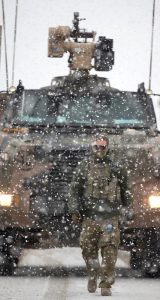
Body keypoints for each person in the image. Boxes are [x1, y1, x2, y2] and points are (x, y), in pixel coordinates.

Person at [68, 134, 133, 296]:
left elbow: (126, 189)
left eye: (102, 146)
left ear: (108, 147)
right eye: (97, 146)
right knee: (88, 250)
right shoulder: (84, 166)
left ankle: (105, 283)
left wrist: (128, 208)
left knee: (110, 249)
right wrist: (74, 209)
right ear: (92, 147)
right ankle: (92, 274)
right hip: (89, 217)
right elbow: (74, 191)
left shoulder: (117, 166)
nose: (99, 149)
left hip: (110, 217)